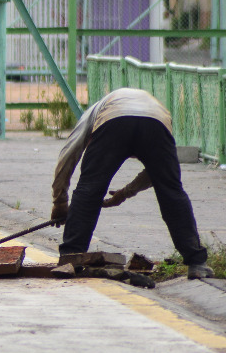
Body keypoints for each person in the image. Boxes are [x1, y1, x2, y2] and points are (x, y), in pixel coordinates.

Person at [51, 87, 213, 278]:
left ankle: (70, 258)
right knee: (171, 191)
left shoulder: (93, 113)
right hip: (156, 122)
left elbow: (68, 156)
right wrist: (125, 193)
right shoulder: (158, 110)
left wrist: (60, 202)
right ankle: (197, 263)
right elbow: (157, 172)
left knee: (89, 189)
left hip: (113, 121)